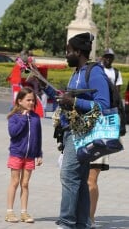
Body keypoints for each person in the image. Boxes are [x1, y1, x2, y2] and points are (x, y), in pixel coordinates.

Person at [48, 32, 110, 229]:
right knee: (79, 179)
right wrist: (44, 85)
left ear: (78, 51)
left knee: (68, 176)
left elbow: (102, 105)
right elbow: (64, 100)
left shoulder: (95, 72)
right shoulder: (76, 73)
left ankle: (66, 222)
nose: (66, 55)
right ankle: (82, 223)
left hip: (83, 133)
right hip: (70, 131)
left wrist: (74, 101)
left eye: (68, 51)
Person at [88, 47, 123, 228]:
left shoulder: (113, 76)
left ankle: (90, 217)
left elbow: (117, 100)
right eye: (105, 56)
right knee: (80, 179)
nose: (107, 59)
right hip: (84, 132)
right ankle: (82, 214)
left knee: (91, 179)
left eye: (110, 57)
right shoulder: (92, 76)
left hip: (102, 130)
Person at [5, 87, 43, 224]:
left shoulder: (36, 118)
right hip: (16, 154)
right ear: (20, 101)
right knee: (15, 182)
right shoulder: (14, 117)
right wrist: (23, 118)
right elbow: (13, 133)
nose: (31, 103)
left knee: (25, 184)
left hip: (30, 156)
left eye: (33, 100)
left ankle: (24, 212)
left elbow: (38, 137)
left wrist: (39, 154)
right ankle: (9, 212)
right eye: (28, 100)